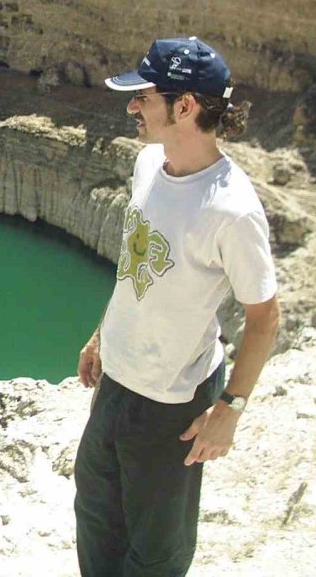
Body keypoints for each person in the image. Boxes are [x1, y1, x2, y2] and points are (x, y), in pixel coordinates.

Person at [73, 36, 280, 576]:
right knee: (96, 514)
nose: (132, 106)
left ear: (184, 106)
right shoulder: (148, 165)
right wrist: (101, 335)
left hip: (172, 401)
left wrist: (229, 410)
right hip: (117, 380)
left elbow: (264, 319)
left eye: (143, 96)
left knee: (156, 548)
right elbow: (133, 269)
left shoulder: (232, 210)